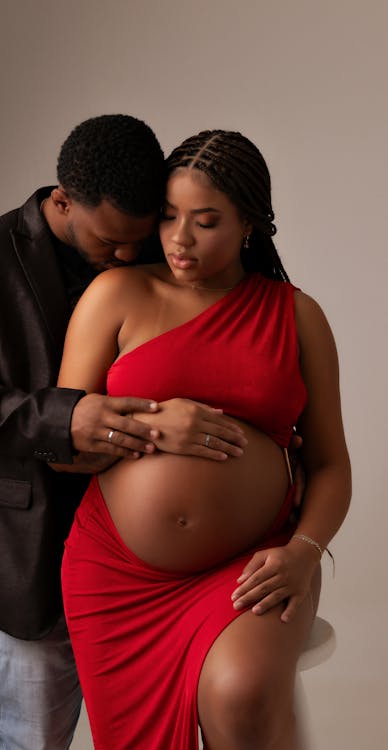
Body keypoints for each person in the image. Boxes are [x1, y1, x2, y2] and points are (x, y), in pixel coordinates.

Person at [0, 115, 248, 750]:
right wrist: (64, 418)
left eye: (137, 239)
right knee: (31, 739)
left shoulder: (155, 240)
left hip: (152, 564)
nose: (129, 255)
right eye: (109, 241)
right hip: (34, 538)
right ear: (62, 199)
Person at [58, 129, 351, 749]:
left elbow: (328, 463)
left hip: (257, 562)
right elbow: (61, 445)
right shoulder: (118, 294)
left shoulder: (297, 315)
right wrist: (149, 425)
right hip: (118, 574)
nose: (179, 239)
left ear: (250, 222)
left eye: (206, 220)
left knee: (240, 694)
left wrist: (303, 552)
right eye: (167, 217)